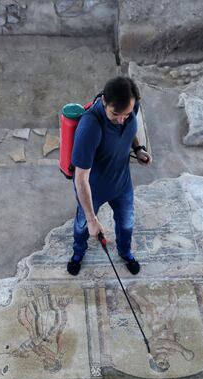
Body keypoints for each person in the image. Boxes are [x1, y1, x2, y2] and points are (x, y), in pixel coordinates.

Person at [67, 76, 152, 276]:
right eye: (115, 114)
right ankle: (78, 253)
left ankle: (125, 252)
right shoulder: (90, 127)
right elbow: (80, 178)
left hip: (122, 185)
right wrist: (91, 219)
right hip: (93, 190)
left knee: (127, 224)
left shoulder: (131, 107)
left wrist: (138, 149)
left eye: (127, 114)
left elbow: (130, 129)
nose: (122, 119)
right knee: (82, 227)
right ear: (104, 101)